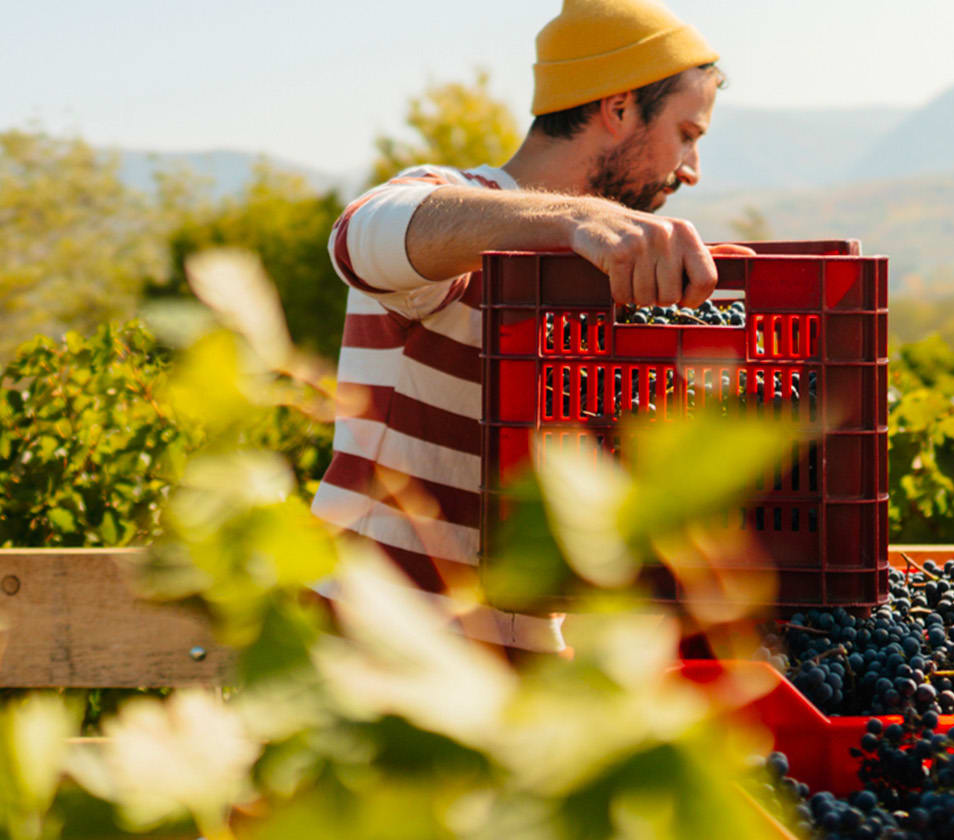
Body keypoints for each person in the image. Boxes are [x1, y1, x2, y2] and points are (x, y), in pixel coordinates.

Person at [313, 0, 751, 651]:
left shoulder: (614, 270)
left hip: (522, 662)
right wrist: (574, 219)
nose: (691, 169)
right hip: (379, 646)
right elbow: (359, 236)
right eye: (687, 134)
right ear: (620, 107)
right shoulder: (463, 211)